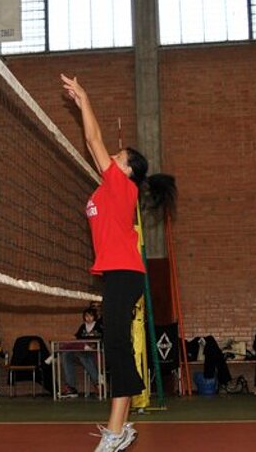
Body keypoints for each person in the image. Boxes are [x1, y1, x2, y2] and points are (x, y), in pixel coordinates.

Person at [61, 74, 174, 452]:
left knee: (116, 345)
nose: (112, 156)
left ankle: (116, 431)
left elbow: (93, 140)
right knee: (116, 344)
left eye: (119, 156)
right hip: (116, 274)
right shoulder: (106, 188)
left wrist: (84, 99)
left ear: (127, 171)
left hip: (126, 273)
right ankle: (119, 428)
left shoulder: (122, 186)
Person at [59, 307, 103, 397]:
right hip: (81, 351)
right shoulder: (82, 327)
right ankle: (71, 388)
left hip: (95, 353)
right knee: (66, 355)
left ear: (95, 316)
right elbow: (77, 339)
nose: (88, 318)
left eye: (91, 316)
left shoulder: (99, 326)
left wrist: (93, 346)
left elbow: (102, 340)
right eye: (86, 316)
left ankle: (98, 383)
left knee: (83, 356)